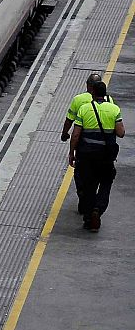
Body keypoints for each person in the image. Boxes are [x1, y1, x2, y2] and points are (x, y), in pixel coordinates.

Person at [69, 78, 124, 230]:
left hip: (86, 156)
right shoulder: (114, 109)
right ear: (105, 94)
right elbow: (121, 133)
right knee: (106, 183)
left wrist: (71, 153)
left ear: (92, 92)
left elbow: (75, 135)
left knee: (89, 186)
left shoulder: (84, 109)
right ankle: (97, 210)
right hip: (106, 157)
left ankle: (88, 217)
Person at [62, 74, 103, 141]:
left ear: (87, 84)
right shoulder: (108, 99)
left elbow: (69, 120)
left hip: (84, 140)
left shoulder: (78, 99)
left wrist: (64, 133)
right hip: (103, 139)